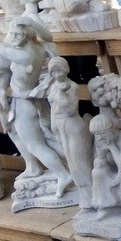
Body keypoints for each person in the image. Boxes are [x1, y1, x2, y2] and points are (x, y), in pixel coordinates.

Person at [0, 17, 72, 196]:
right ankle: (38, 168)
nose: (13, 38)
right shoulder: (39, 48)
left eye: (18, 35)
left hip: (23, 103)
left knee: (35, 145)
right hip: (27, 101)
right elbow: (48, 37)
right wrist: (31, 23)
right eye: (12, 33)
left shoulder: (24, 55)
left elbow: (1, 49)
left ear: (27, 36)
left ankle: (63, 175)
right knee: (36, 139)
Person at [47, 57, 92, 207]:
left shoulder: (72, 86)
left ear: (66, 70)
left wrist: (61, 94)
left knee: (81, 162)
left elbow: (70, 110)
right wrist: (53, 125)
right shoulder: (53, 86)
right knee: (71, 164)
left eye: (59, 70)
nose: (57, 74)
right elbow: (53, 108)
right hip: (60, 125)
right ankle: (85, 198)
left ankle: (94, 197)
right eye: (53, 72)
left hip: (73, 124)